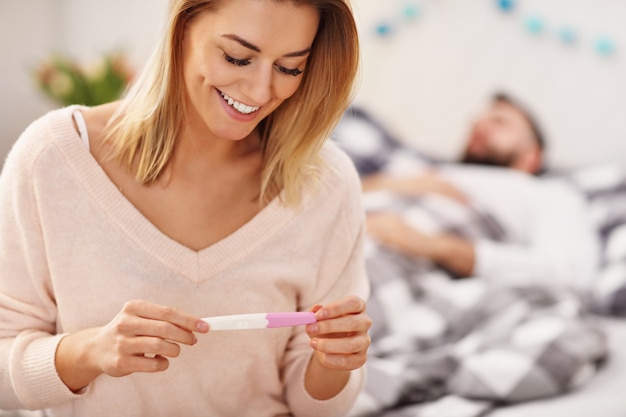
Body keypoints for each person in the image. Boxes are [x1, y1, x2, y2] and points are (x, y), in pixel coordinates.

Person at [0, 1, 371, 417]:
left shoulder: (327, 185)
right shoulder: (53, 158)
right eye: (237, 57)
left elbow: (317, 407)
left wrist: (333, 361)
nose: (260, 91)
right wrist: (91, 351)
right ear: (182, 29)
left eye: (289, 68)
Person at [335, 93, 600, 290]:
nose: (480, 126)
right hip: (341, 226)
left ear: (532, 156)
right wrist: (392, 183)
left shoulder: (548, 194)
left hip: (394, 264)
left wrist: (435, 246)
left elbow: (570, 271)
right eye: (478, 122)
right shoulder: (427, 171)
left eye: (499, 123)